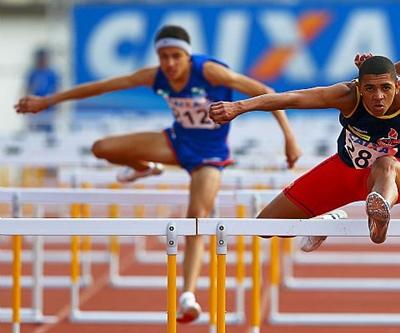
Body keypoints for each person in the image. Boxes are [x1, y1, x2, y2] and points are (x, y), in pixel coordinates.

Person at [15, 25, 302, 323]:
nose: (169, 64)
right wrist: (47, 102)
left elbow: (265, 93)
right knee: (102, 148)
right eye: (163, 56)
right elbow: (102, 87)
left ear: (188, 57)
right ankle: (146, 167)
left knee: (197, 217)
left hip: (210, 154)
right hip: (175, 143)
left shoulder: (211, 72)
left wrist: (288, 137)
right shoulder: (155, 76)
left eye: (176, 56)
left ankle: (187, 294)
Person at [210, 52, 400, 248]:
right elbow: (294, 98)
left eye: (386, 87)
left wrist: (382, 66)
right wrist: (238, 107)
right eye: (370, 88)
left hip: (395, 176)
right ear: (359, 87)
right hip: (345, 170)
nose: (378, 97)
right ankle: (327, 221)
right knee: (265, 226)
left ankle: (379, 214)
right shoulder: (347, 95)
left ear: (397, 84)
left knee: (385, 164)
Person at [23, 47, 60, 132]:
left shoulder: (52, 73)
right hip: (35, 107)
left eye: (44, 58)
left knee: (49, 130)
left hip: (48, 107)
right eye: (40, 58)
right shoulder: (33, 73)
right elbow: (27, 89)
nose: (42, 60)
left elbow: (56, 89)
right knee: (34, 131)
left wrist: (57, 106)